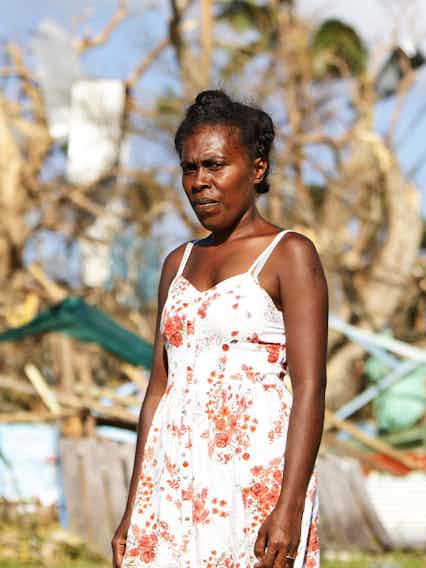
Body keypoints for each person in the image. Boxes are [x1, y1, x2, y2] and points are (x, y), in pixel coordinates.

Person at [111, 90, 328, 568]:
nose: (200, 182)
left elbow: (310, 388)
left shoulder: (290, 253)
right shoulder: (177, 262)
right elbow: (157, 391)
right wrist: (133, 510)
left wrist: (288, 508)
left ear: (256, 169)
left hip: (254, 477)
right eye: (190, 168)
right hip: (172, 479)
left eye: (215, 166)